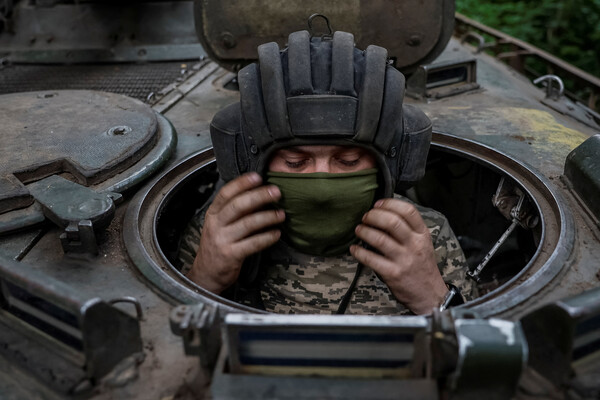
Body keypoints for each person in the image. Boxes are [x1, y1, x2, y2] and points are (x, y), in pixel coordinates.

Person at [179, 28, 475, 315]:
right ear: (257, 163)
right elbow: (166, 336)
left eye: (349, 161)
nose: (322, 186)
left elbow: (478, 341)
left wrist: (433, 297)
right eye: (295, 162)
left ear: (385, 165)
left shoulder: (423, 235)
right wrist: (204, 278)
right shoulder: (220, 231)